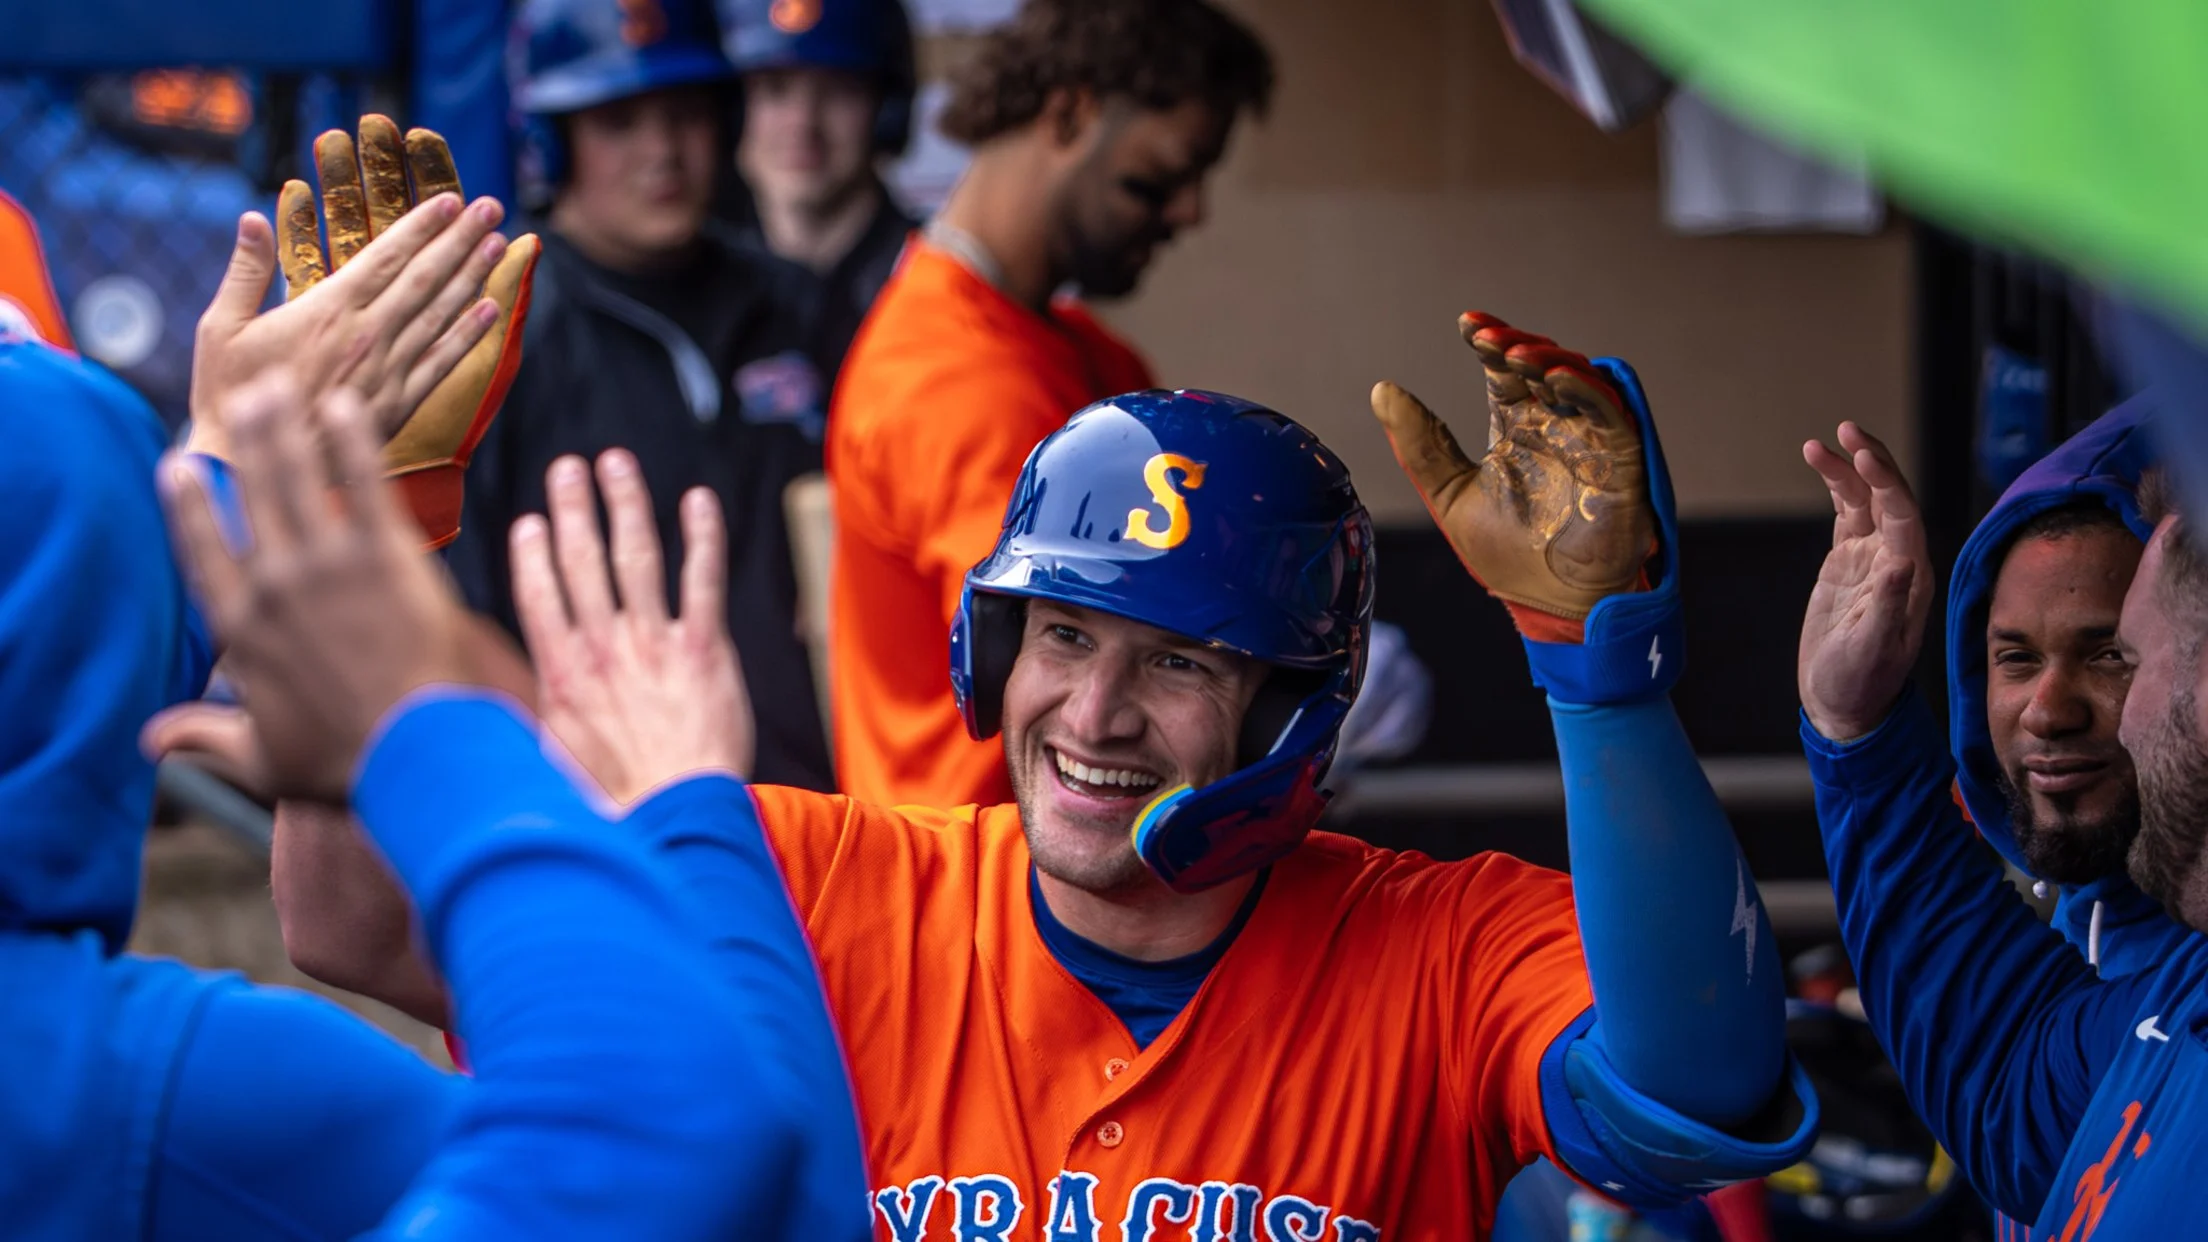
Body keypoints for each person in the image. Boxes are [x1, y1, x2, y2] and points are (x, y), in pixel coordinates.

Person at [274, 312, 1822, 1236]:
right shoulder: (801, 883)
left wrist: (1599, 674)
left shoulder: (1444, 946)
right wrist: (369, 517)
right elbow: (357, 924)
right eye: (1063, 634)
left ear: (1291, 716)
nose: (1095, 711)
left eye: (1181, 662)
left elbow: (1689, 1093)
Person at [1, 145, 868, 1240]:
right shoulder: (131, 1088)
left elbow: (65, 672)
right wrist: (467, 741)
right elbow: (718, 1167)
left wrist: (233, 468)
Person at [825, 0, 1269, 808]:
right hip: (978, 865)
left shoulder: (1078, 352)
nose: (1190, 212)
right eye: (1162, 176)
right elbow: (1074, 684)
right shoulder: (957, 379)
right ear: (1069, 116)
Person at [1792, 404, 2208, 1236]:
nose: (2049, 711)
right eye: (2015, 657)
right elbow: (2012, 1094)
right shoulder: (2148, 993)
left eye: (2117, 655)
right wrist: (1857, 733)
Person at [450, 0, 837, 790]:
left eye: (685, 115)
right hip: (603, 804)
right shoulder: (497, 327)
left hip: (813, 801)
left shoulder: (798, 304)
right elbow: (453, 615)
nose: (662, 152)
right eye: (619, 123)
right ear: (551, 142)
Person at [721, 0, 922, 378]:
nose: (802, 123)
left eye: (838, 91)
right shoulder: (685, 285)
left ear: (887, 112)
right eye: (774, 90)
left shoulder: (936, 283)